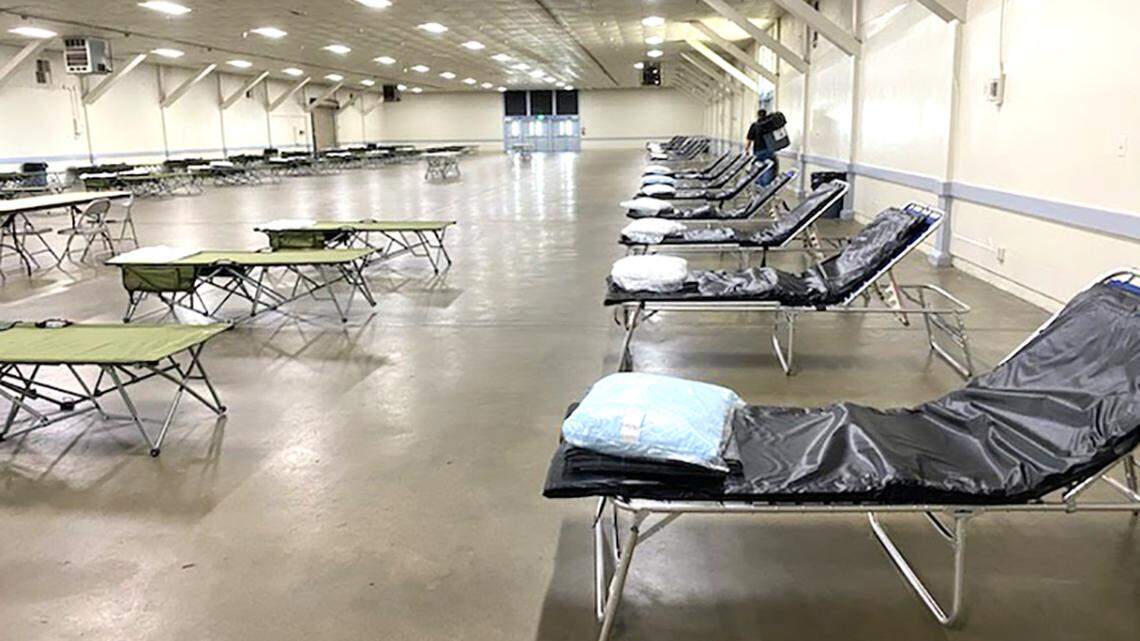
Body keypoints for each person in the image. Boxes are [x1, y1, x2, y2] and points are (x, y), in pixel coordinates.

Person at [746, 109, 780, 187]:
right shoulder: (770, 125)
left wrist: (746, 150)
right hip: (769, 151)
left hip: (758, 151)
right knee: (768, 167)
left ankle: (758, 185)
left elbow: (749, 139)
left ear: (758, 115)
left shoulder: (754, 125)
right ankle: (765, 186)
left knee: (758, 168)